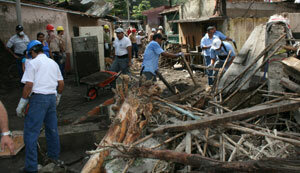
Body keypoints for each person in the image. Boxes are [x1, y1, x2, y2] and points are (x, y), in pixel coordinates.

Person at [16, 40, 64, 173]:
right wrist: (57, 98)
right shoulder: (53, 63)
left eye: (30, 53)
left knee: (31, 133)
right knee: (52, 130)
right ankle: (54, 159)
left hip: (38, 99)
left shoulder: (32, 63)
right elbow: (61, 83)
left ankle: (31, 167)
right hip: (51, 99)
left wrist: (21, 104)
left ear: (32, 51)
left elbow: (29, 85)